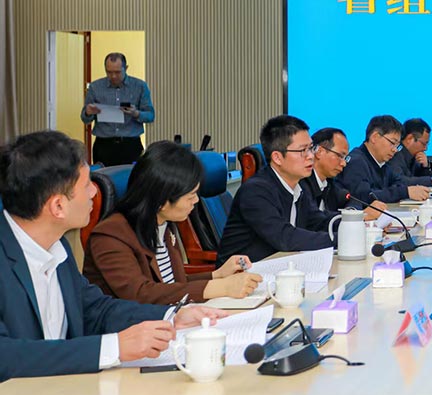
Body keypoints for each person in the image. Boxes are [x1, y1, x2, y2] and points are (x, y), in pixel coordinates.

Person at [0, 130, 224, 381]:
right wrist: (114, 347)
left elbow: (95, 308)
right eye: (86, 186)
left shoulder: (56, 246)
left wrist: (172, 317)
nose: (94, 194)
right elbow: (5, 356)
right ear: (58, 206)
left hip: (65, 390)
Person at [84, 141, 262, 303]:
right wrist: (221, 287)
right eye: (190, 196)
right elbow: (141, 293)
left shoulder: (162, 223)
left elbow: (172, 284)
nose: (196, 201)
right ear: (161, 201)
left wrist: (217, 275)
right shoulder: (110, 236)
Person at [218, 115, 334, 266]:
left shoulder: (298, 186)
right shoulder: (256, 191)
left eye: (311, 148)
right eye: (302, 150)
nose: (311, 156)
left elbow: (318, 222)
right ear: (277, 158)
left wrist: (354, 225)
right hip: (243, 274)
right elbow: (285, 238)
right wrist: (341, 239)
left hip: (279, 267)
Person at [80, 52, 155, 166]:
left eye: (117, 72)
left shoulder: (140, 86)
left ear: (126, 68)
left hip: (130, 144)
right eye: (109, 72)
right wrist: (88, 112)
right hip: (104, 145)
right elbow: (85, 119)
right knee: (103, 176)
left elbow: (150, 115)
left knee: (132, 176)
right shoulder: (95, 87)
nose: (113, 76)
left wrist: (136, 113)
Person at [338, 115, 431, 203]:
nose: (395, 150)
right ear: (374, 137)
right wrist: (405, 192)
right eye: (392, 143)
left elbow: (399, 182)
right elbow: (364, 197)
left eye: (397, 145)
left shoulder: (382, 163)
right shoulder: (356, 162)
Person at [301, 127, 388, 220]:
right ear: (320, 152)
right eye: (340, 156)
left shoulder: (329, 183)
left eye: (345, 158)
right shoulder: (302, 184)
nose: (344, 163)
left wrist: (352, 211)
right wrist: (358, 216)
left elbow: (351, 200)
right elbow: (314, 220)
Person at [387, 118, 432, 188]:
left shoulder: (414, 156)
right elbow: (399, 181)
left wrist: (425, 166)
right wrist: (431, 181)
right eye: (424, 144)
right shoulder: (394, 154)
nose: (425, 148)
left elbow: (420, 180)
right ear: (410, 139)